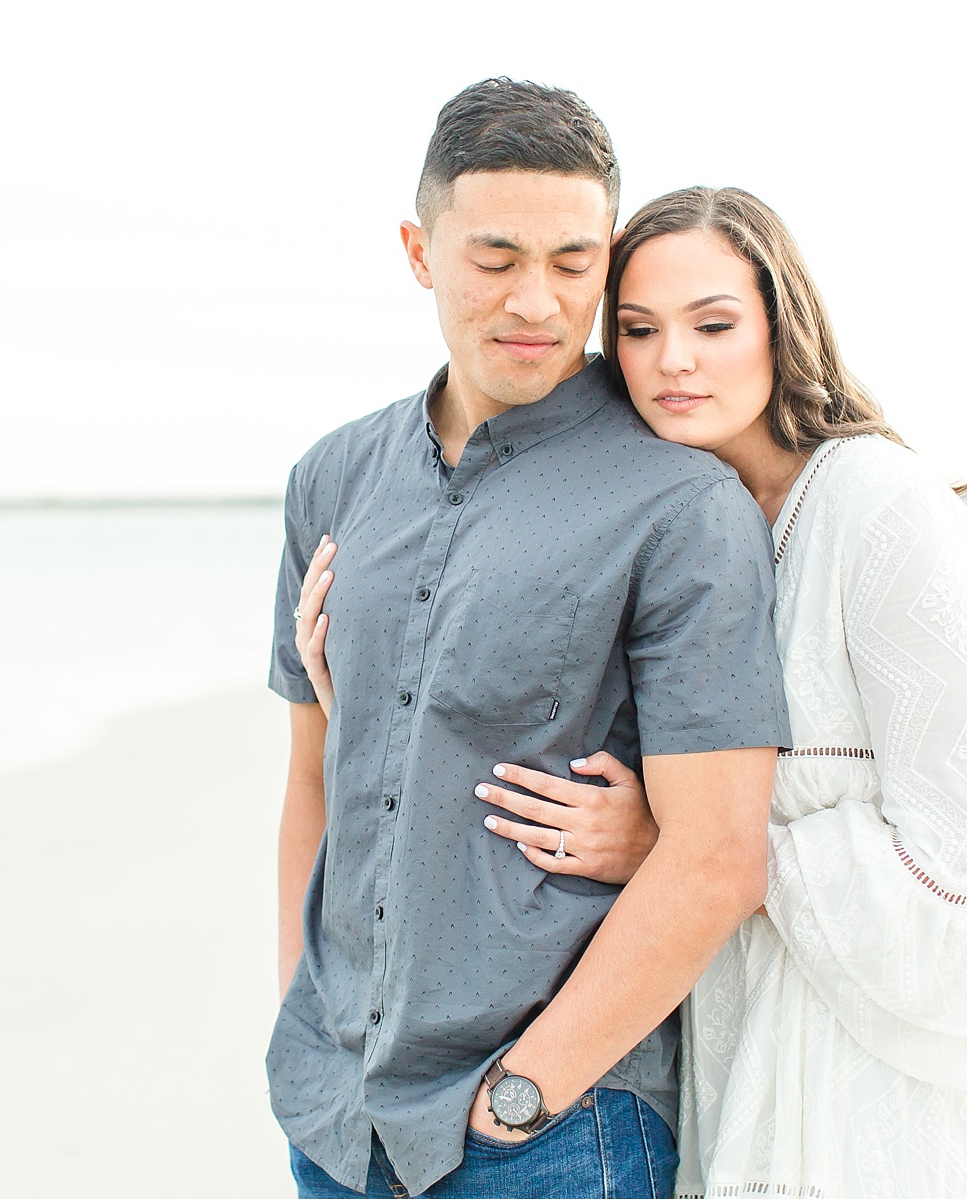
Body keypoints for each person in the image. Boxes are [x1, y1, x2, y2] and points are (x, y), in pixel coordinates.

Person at [299, 186, 967, 1196]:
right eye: (640, 330)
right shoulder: (694, 516)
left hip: (869, 1070)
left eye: (714, 324)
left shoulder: (882, 508)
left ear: (784, 324)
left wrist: (686, 848)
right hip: (730, 1045)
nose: (673, 361)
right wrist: (363, 676)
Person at [266, 84, 792, 1199]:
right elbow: (317, 775)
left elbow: (718, 853)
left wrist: (527, 1094)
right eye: (495, 256)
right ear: (420, 250)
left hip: (548, 1132)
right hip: (334, 1115)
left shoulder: (681, 503)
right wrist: (298, 1013)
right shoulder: (334, 478)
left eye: (571, 261)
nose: (536, 301)